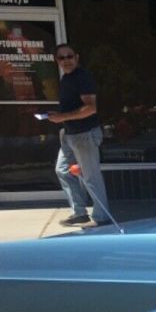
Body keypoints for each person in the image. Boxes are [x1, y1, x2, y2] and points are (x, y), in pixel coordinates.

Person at [49, 43, 112, 227]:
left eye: (69, 56)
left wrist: (62, 117)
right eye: (62, 57)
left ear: (76, 57)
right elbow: (71, 106)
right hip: (69, 134)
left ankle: (103, 217)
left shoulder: (82, 77)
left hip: (84, 134)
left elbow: (90, 108)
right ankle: (79, 212)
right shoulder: (66, 79)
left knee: (91, 176)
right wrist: (58, 116)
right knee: (62, 170)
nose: (66, 60)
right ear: (57, 60)